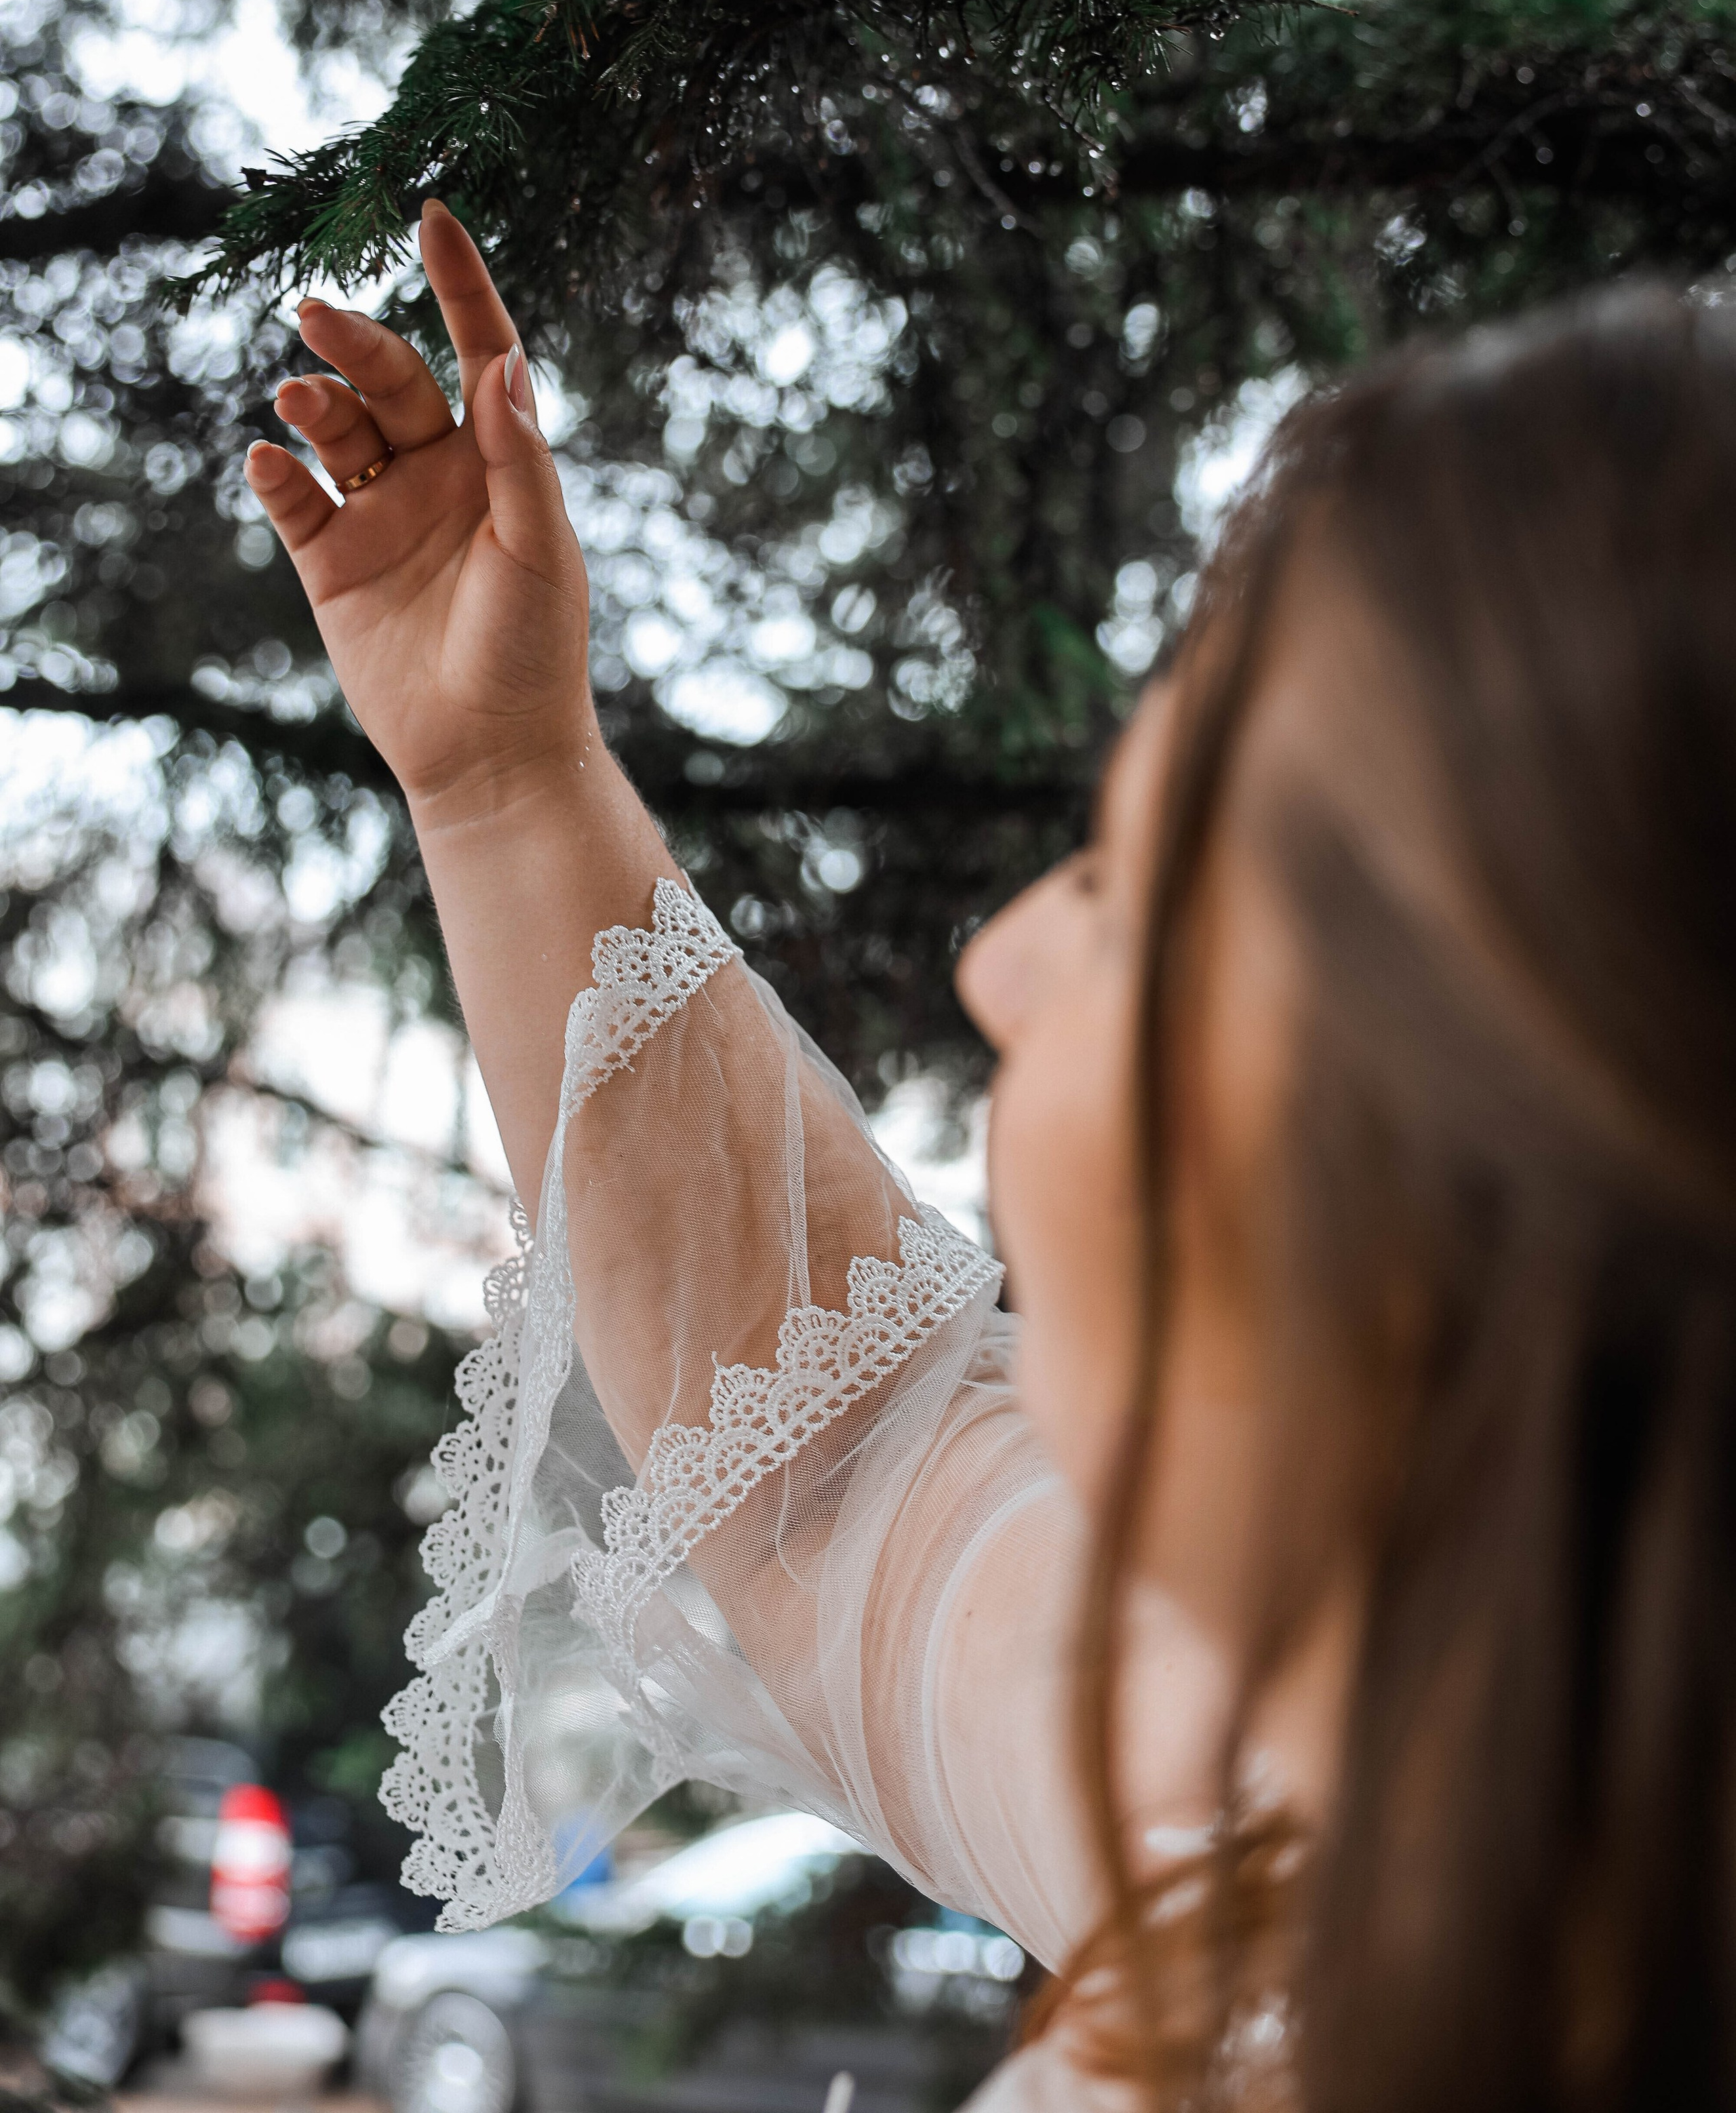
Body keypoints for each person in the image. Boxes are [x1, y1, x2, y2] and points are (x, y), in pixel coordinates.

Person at [244, 202, 1736, 2113]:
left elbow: (838, 1473)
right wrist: (510, 780)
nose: (1003, 961)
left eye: (1135, 894)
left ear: (1487, 1154)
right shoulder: (1373, 1808)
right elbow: (829, 1462)